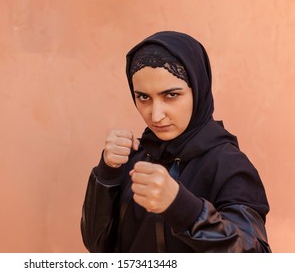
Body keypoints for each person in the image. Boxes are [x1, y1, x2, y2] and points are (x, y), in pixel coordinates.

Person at [80, 31, 271, 253]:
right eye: (143, 97)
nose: (156, 115)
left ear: (198, 89)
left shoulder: (229, 166)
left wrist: (183, 208)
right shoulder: (132, 156)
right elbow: (96, 245)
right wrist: (107, 173)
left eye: (171, 95)